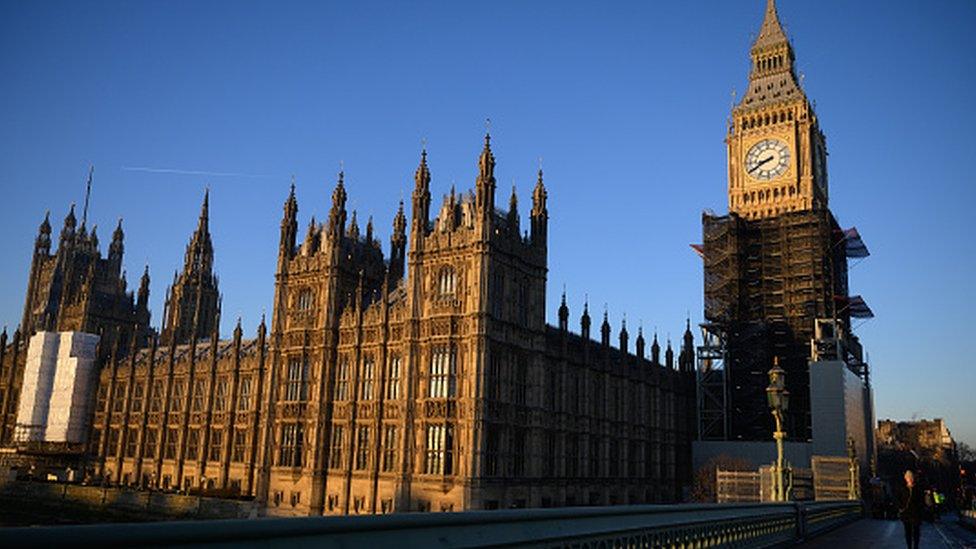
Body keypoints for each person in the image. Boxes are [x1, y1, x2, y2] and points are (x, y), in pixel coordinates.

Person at [899, 470, 924, 549]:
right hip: (906, 513)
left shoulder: (917, 488)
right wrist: (900, 507)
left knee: (916, 531)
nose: (909, 479)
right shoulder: (903, 489)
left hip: (916, 513)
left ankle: (916, 546)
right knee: (908, 532)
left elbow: (921, 500)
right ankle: (909, 546)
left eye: (910, 478)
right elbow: (899, 499)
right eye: (908, 478)